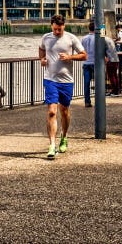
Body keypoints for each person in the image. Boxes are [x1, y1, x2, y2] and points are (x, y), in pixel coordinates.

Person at [39, 13, 86, 159]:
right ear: (51, 26)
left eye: (59, 29)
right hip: (50, 79)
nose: (57, 32)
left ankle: (64, 137)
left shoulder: (71, 38)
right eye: (54, 29)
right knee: (52, 111)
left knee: (64, 110)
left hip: (66, 81)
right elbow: (41, 49)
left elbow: (84, 55)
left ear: (64, 26)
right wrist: (42, 59)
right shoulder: (46, 37)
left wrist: (70, 57)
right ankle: (52, 145)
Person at [80, 22, 96, 108]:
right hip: (95, 62)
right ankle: (99, 100)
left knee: (86, 83)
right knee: (99, 82)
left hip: (86, 63)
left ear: (89, 28)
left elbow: (80, 50)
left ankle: (87, 101)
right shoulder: (98, 38)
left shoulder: (83, 38)